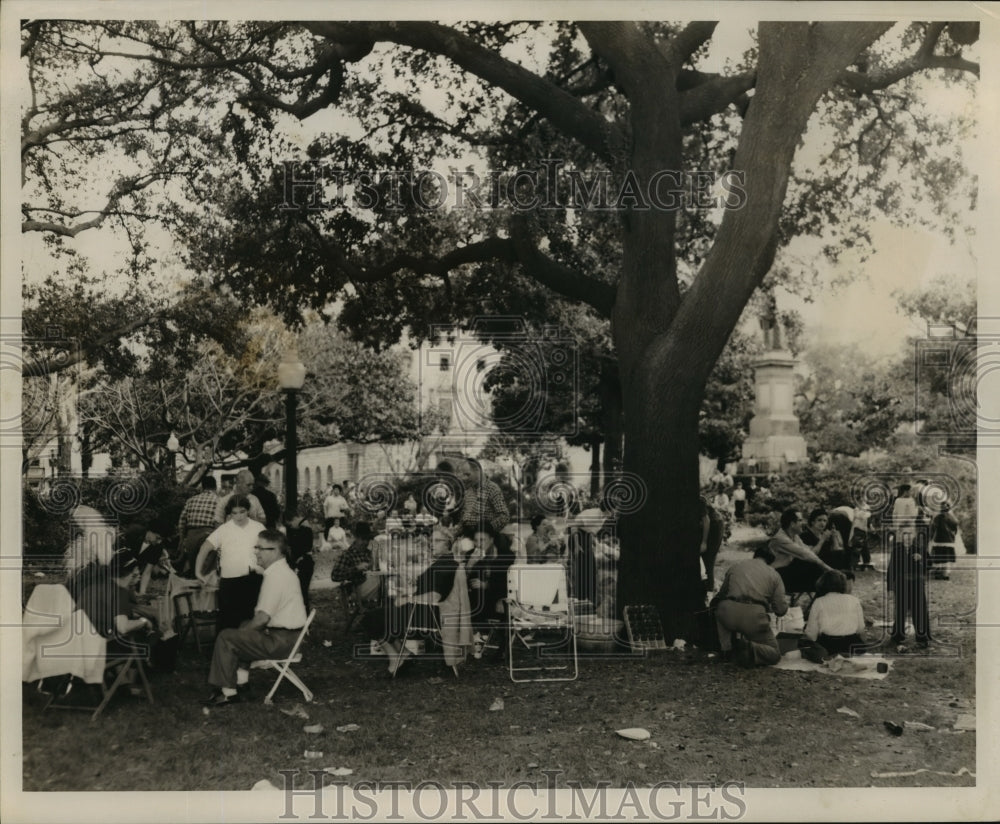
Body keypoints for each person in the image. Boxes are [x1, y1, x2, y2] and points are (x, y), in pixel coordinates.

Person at [203, 530, 308, 706]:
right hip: (291, 638)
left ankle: (228, 693)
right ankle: (242, 682)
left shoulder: (276, 577)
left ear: (274, 551)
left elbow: (262, 619)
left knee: (226, 636)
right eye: (256, 547)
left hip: (283, 642)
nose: (256, 551)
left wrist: (239, 633)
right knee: (243, 627)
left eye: (260, 548)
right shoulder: (281, 571)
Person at [362, 533, 460, 674]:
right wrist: (406, 590)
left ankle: (396, 659)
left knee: (372, 617)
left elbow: (435, 596)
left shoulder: (446, 565)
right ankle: (405, 654)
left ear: (448, 544)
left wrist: (407, 598)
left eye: (437, 541)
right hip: (424, 610)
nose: (432, 544)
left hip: (428, 615)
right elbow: (428, 589)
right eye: (431, 541)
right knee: (382, 612)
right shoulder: (443, 562)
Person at [711, 545, 788, 667]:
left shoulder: (736, 567)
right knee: (774, 654)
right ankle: (749, 646)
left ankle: (726, 649)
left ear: (755, 555)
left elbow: (721, 595)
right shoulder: (774, 574)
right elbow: (781, 610)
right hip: (753, 617)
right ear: (770, 561)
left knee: (720, 608)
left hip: (727, 612)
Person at [196, 496, 266, 631]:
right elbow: (205, 547)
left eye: (242, 512)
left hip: (254, 580)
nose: (239, 516)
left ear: (248, 511)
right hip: (230, 582)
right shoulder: (224, 529)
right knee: (228, 621)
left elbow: (269, 550)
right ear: (229, 513)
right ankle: (228, 649)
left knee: (252, 619)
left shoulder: (258, 527)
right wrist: (197, 572)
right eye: (234, 513)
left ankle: (251, 649)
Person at [799, 570, 868, 663]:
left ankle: (832, 656)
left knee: (806, 646)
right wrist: (864, 644)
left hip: (829, 645)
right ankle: (845, 655)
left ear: (822, 584)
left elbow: (812, 633)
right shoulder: (854, 600)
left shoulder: (819, 601)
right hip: (853, 644)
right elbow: (860, 629)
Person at [460, 523, 514, 633]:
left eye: (482, 540)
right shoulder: (471, 555)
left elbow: (508, 582)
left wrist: (486, 585)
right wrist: (470, 563)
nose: (478, 544)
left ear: (491, 539)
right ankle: (477, 634)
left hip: (499, 594)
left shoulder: (505, 555)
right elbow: (462, 581)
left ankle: (479, 633)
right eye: (475, 540)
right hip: (478, 596)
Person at [768, 508, 835, 597]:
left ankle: (824, 591)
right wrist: (827, 568)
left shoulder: (795, 536)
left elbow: (809, 552)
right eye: (800, 520)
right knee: (816, 569)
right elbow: (805, 554)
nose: (803, 523)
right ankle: (821, 595)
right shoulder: (780, 538)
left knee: (823, 565)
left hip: (787, 572)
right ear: (792, 524)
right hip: (776, 576)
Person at [886, 524, 932, 648]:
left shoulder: (920, 549)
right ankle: (898, 636)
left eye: (910, 534)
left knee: (919, 611)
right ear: (901, 536)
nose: (907, 537)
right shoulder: (896, 550)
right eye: (904, 534)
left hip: (917, 585)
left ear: (914, 536)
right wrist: (890, 588)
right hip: (901, 586)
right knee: (900, 611)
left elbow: (930, 565)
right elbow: (891, 569)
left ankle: (922, 638)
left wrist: (921, 559)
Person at [177, 475, 220, 577]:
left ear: (202, 487)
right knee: (207, 570)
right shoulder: (219, 501)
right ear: (215, 487)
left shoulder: (191, 500)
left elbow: (181, 522)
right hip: (209, 535)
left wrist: (182, 540)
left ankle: (194, 589)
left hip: (191, 536)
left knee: (194, 568)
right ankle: (203, 590)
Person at [456, 457, 509, 534]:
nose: (464, 478)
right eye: (463, 475)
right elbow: (464, 518)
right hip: (466, 535)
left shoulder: (492, 488)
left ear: (478, 470)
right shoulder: (468, 490)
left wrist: (486, 530)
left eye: (467, 474)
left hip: (484, 537)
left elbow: (504, 517)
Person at [698, 495, 724, 593]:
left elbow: (706, 520)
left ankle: (709, 593)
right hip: (705, 526)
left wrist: (704, 543)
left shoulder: (698, 499)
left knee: (708, 559)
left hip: (715, 525)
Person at [928, 500, 959, 581]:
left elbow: (933, 529)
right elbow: (955, 529)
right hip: (949, 540)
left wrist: (931, 538)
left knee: (939, 557)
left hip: (939, 539)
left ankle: (939, 573)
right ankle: (945, 574)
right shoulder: (952, 518)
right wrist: (952, 536)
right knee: (947, 557)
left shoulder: (938, 518)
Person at [851, 503, 873, 571]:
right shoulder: (857, 509)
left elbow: (868, 518)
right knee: (858, 547)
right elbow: (859, 516)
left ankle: (866, 563)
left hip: (863, 530)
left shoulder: (865, 508)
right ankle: (854, 564)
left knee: (864, 547)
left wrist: (870, 526)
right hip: (858, 529)